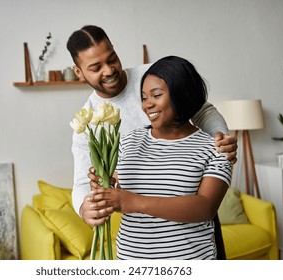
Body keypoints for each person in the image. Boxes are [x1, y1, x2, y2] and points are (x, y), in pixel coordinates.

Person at [66, 25, 237, 226]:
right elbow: (82, 183)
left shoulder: (151, 75)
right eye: (96, 68)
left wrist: (220, 137)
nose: (109, 70)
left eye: (112, 58)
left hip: (189, 214)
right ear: (79, 72)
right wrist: (83, 208)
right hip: (140, 227)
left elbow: (202, 110)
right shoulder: (87, 121)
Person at [88, 55, 232, 259]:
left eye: (156, 95)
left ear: (182, 94)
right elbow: (121, 191)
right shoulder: (129, 141)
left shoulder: (215, 148)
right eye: (144, 97)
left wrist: (135, 202)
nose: (148, 105)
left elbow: (205, 207)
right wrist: (105, 184)